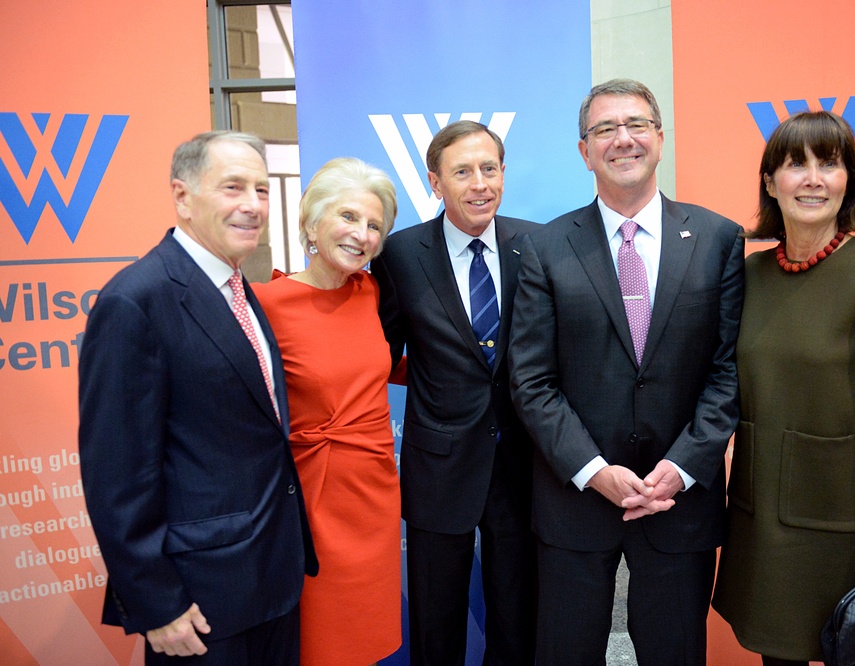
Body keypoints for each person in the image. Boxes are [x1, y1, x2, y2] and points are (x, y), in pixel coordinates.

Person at [508, 79, 744, 665]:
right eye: (605, 129)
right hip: (575, 499)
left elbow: (728, 371)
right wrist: (592, 471)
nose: (623, 139)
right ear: (584, 150)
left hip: (678, 501)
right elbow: (531, 381)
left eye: (636, 124)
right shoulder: (545, 247)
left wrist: (683, 467)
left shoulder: (718, 240)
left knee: (675, 653)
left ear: (660, 139)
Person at [78, 130, 318, 665]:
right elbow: (116, 474)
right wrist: (156, 603)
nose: (253, 205)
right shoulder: (135, 301)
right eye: (233, 187)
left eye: (261, 189)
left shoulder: (236, 287)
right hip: (198, 600)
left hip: (271, 579)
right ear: (182, 197)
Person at [712, 110, 855, 666]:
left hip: (844, 530)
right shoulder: (749, 276)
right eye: (795, 165)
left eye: (829, 165)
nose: (812, 179)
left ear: (848, 180)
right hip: (763, 521)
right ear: (769, 183)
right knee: (776, 656)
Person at [370, 120, 538, 665]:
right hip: (438, 466)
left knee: (518, 619)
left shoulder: (537, 245)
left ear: (504, 175)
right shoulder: (398, 255)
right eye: (462, 172)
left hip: (523, 465)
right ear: (435, 183)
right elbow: (376, 352)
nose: (479, 183)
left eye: (489, 169)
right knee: (435, 622)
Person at [252, 157, 401, 665]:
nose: (362, 235)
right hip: (310, 501)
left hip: (373, 495)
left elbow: (386, 365)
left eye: (375, 225)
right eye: (348, 217)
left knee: (366, 639)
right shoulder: (266, 304)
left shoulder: (369, 292)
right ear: (312, 223)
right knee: (318, 642)